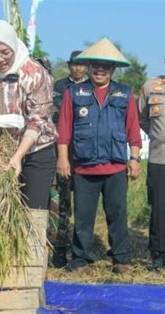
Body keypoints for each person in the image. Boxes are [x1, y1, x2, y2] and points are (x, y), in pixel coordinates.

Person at [57, 38, 142, 274]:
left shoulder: (124, 94)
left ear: (112, 69)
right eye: (95, 64)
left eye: (105, 66)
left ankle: (121, 258)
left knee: (117, 215)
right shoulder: (74, 92)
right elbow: (64, 129)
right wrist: (63, 159)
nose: (100, 69)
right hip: (84, 169)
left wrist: (134, 159)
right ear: (88, 66)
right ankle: (82, 259)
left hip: (115, 169)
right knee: (83, 218)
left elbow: (132, 129)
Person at [0, 20, 57, 211]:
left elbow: (38, 119)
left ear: (14, 47)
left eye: (5, 52)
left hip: (36, 148)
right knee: (0, 209)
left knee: (34, 210)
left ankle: (34, 241)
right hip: (1, 149)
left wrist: (18, 156)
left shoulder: (34, 72)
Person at [50, 50, 87, 268]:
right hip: (60, 153)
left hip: (82, 153)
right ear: (70, 65)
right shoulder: (58, 87)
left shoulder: (91, 87)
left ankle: (81, 249)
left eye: (81, 64)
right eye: (74, 64)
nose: (78, 68)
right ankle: (60, 249)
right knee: (60, 203)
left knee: (82, 205)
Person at [138, 56, 165, 271]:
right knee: (158, 207)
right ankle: (158, 254)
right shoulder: (151, 86)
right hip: (160, 157)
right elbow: (142, 118)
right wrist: (158, 136)